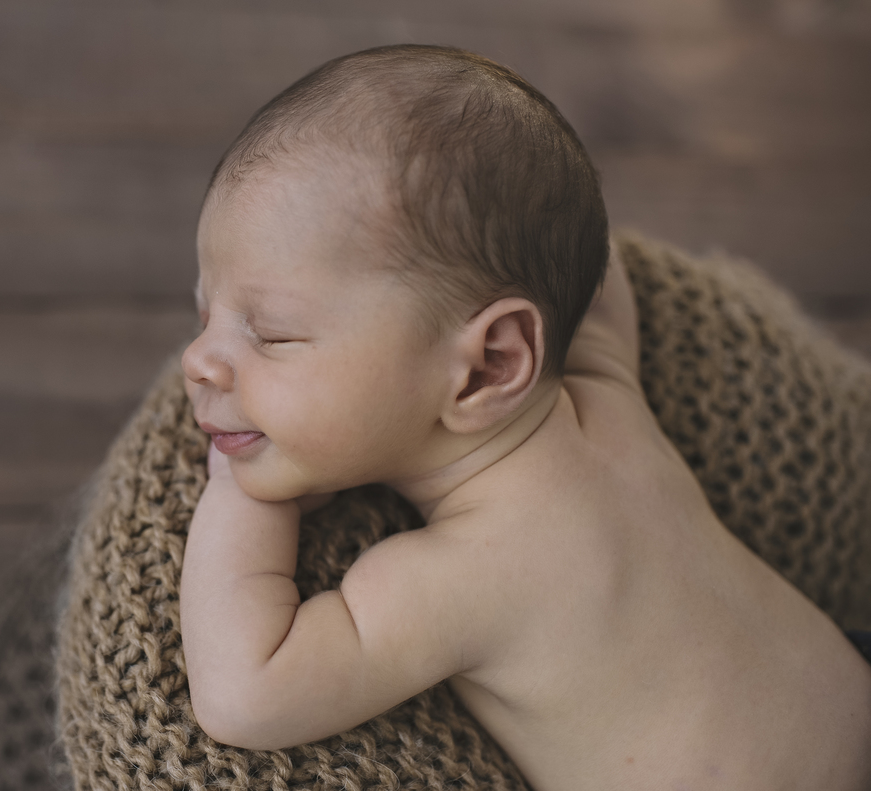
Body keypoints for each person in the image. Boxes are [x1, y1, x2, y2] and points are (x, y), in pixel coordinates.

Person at [177, 45, 871, 790]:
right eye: (205, 312)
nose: (198, 360)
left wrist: (236, 485)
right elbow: (600, 272)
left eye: (271, 334)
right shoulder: (605, 396)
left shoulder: (454, 577)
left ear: (491, 364)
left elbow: (246, 694)